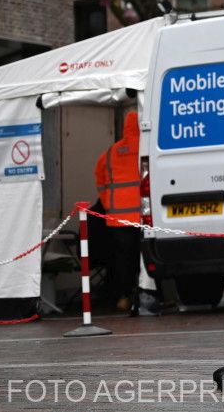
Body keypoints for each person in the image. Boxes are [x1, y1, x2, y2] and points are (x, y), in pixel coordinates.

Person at [94, 110, 155, 314]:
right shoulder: (148, 148)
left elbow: (100, 181)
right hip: (144, 217)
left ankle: (124, 297)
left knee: (123, 261)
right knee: (146, 258)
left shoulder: (110, 152)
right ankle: (150, 296)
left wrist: (109, 205)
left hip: (117, 219)